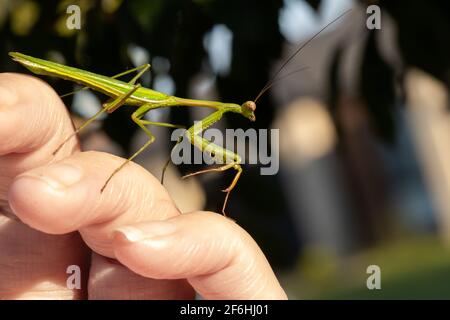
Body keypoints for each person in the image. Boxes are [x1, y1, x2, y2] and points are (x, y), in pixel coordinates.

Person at [0, 73, 287, 300]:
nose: (249, 113)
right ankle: (71, 132)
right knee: (149, 135)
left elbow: (192, 135)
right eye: (248, 109)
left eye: (249, 110)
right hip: (120, 92)